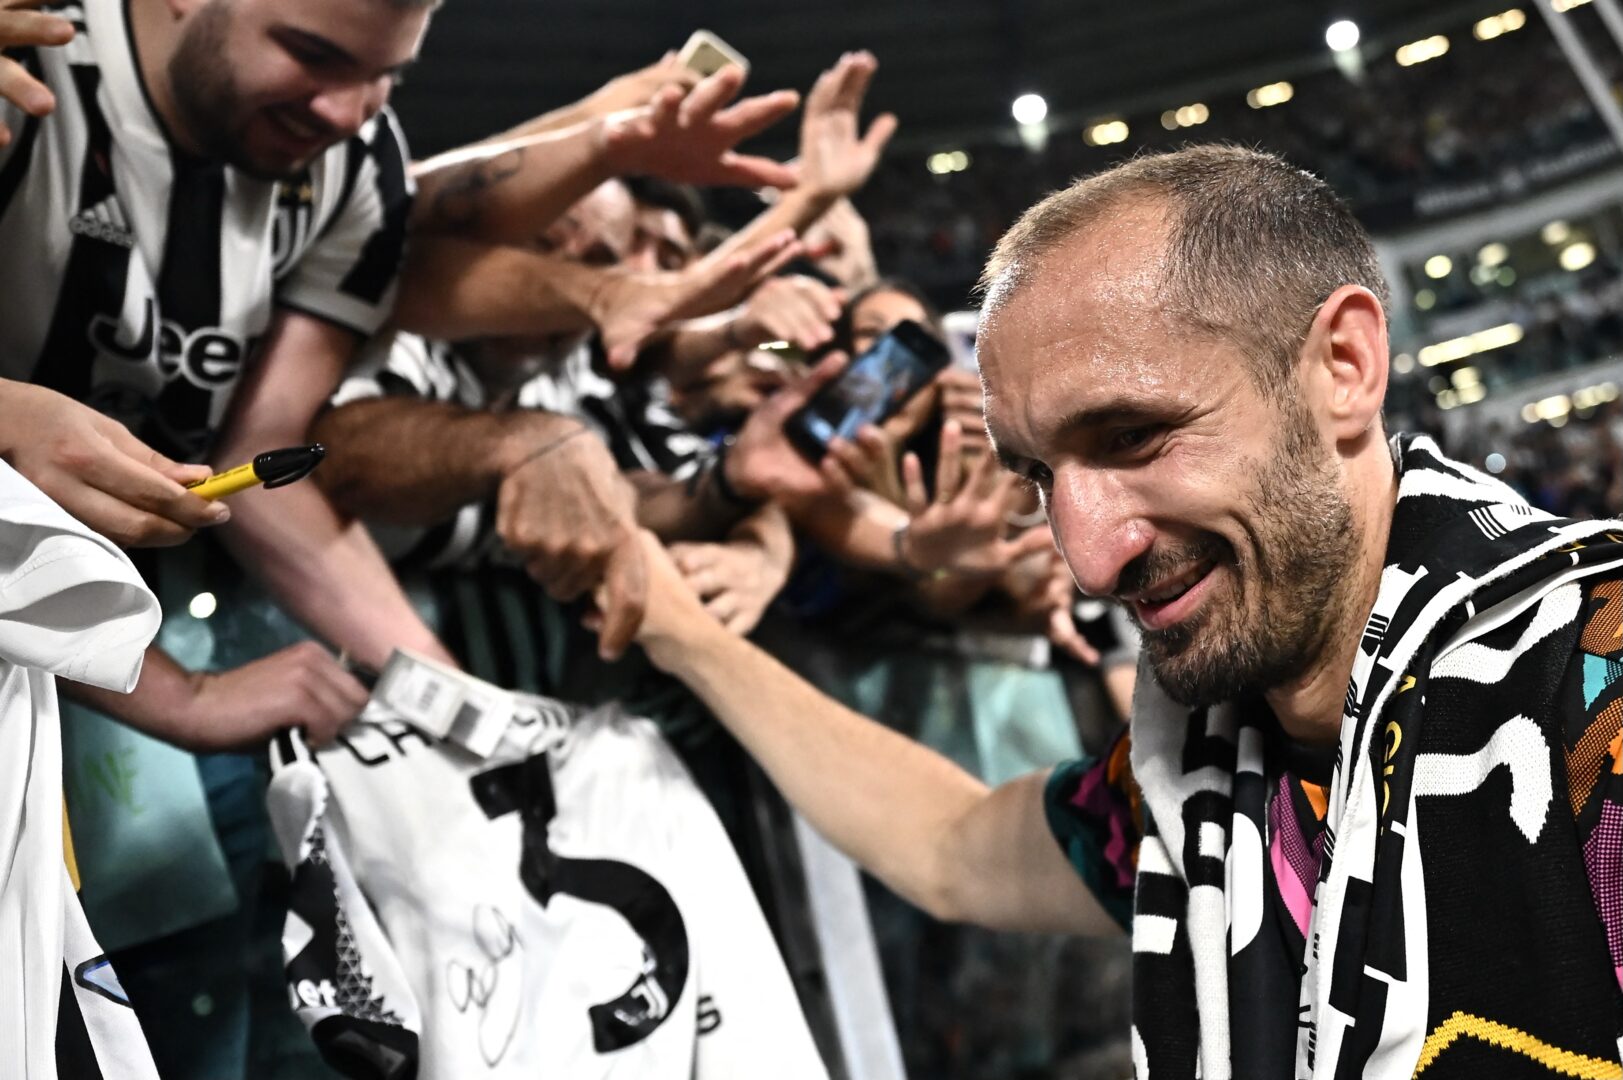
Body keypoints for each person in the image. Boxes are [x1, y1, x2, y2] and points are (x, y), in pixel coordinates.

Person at [612, 145, 1623, 1078]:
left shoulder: (1594, 686)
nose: (1092, 560)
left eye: (1134, 436)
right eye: (1037, 475)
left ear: (1343, 367)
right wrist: (679, 631)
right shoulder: (1204, 773)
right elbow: (951, 845)